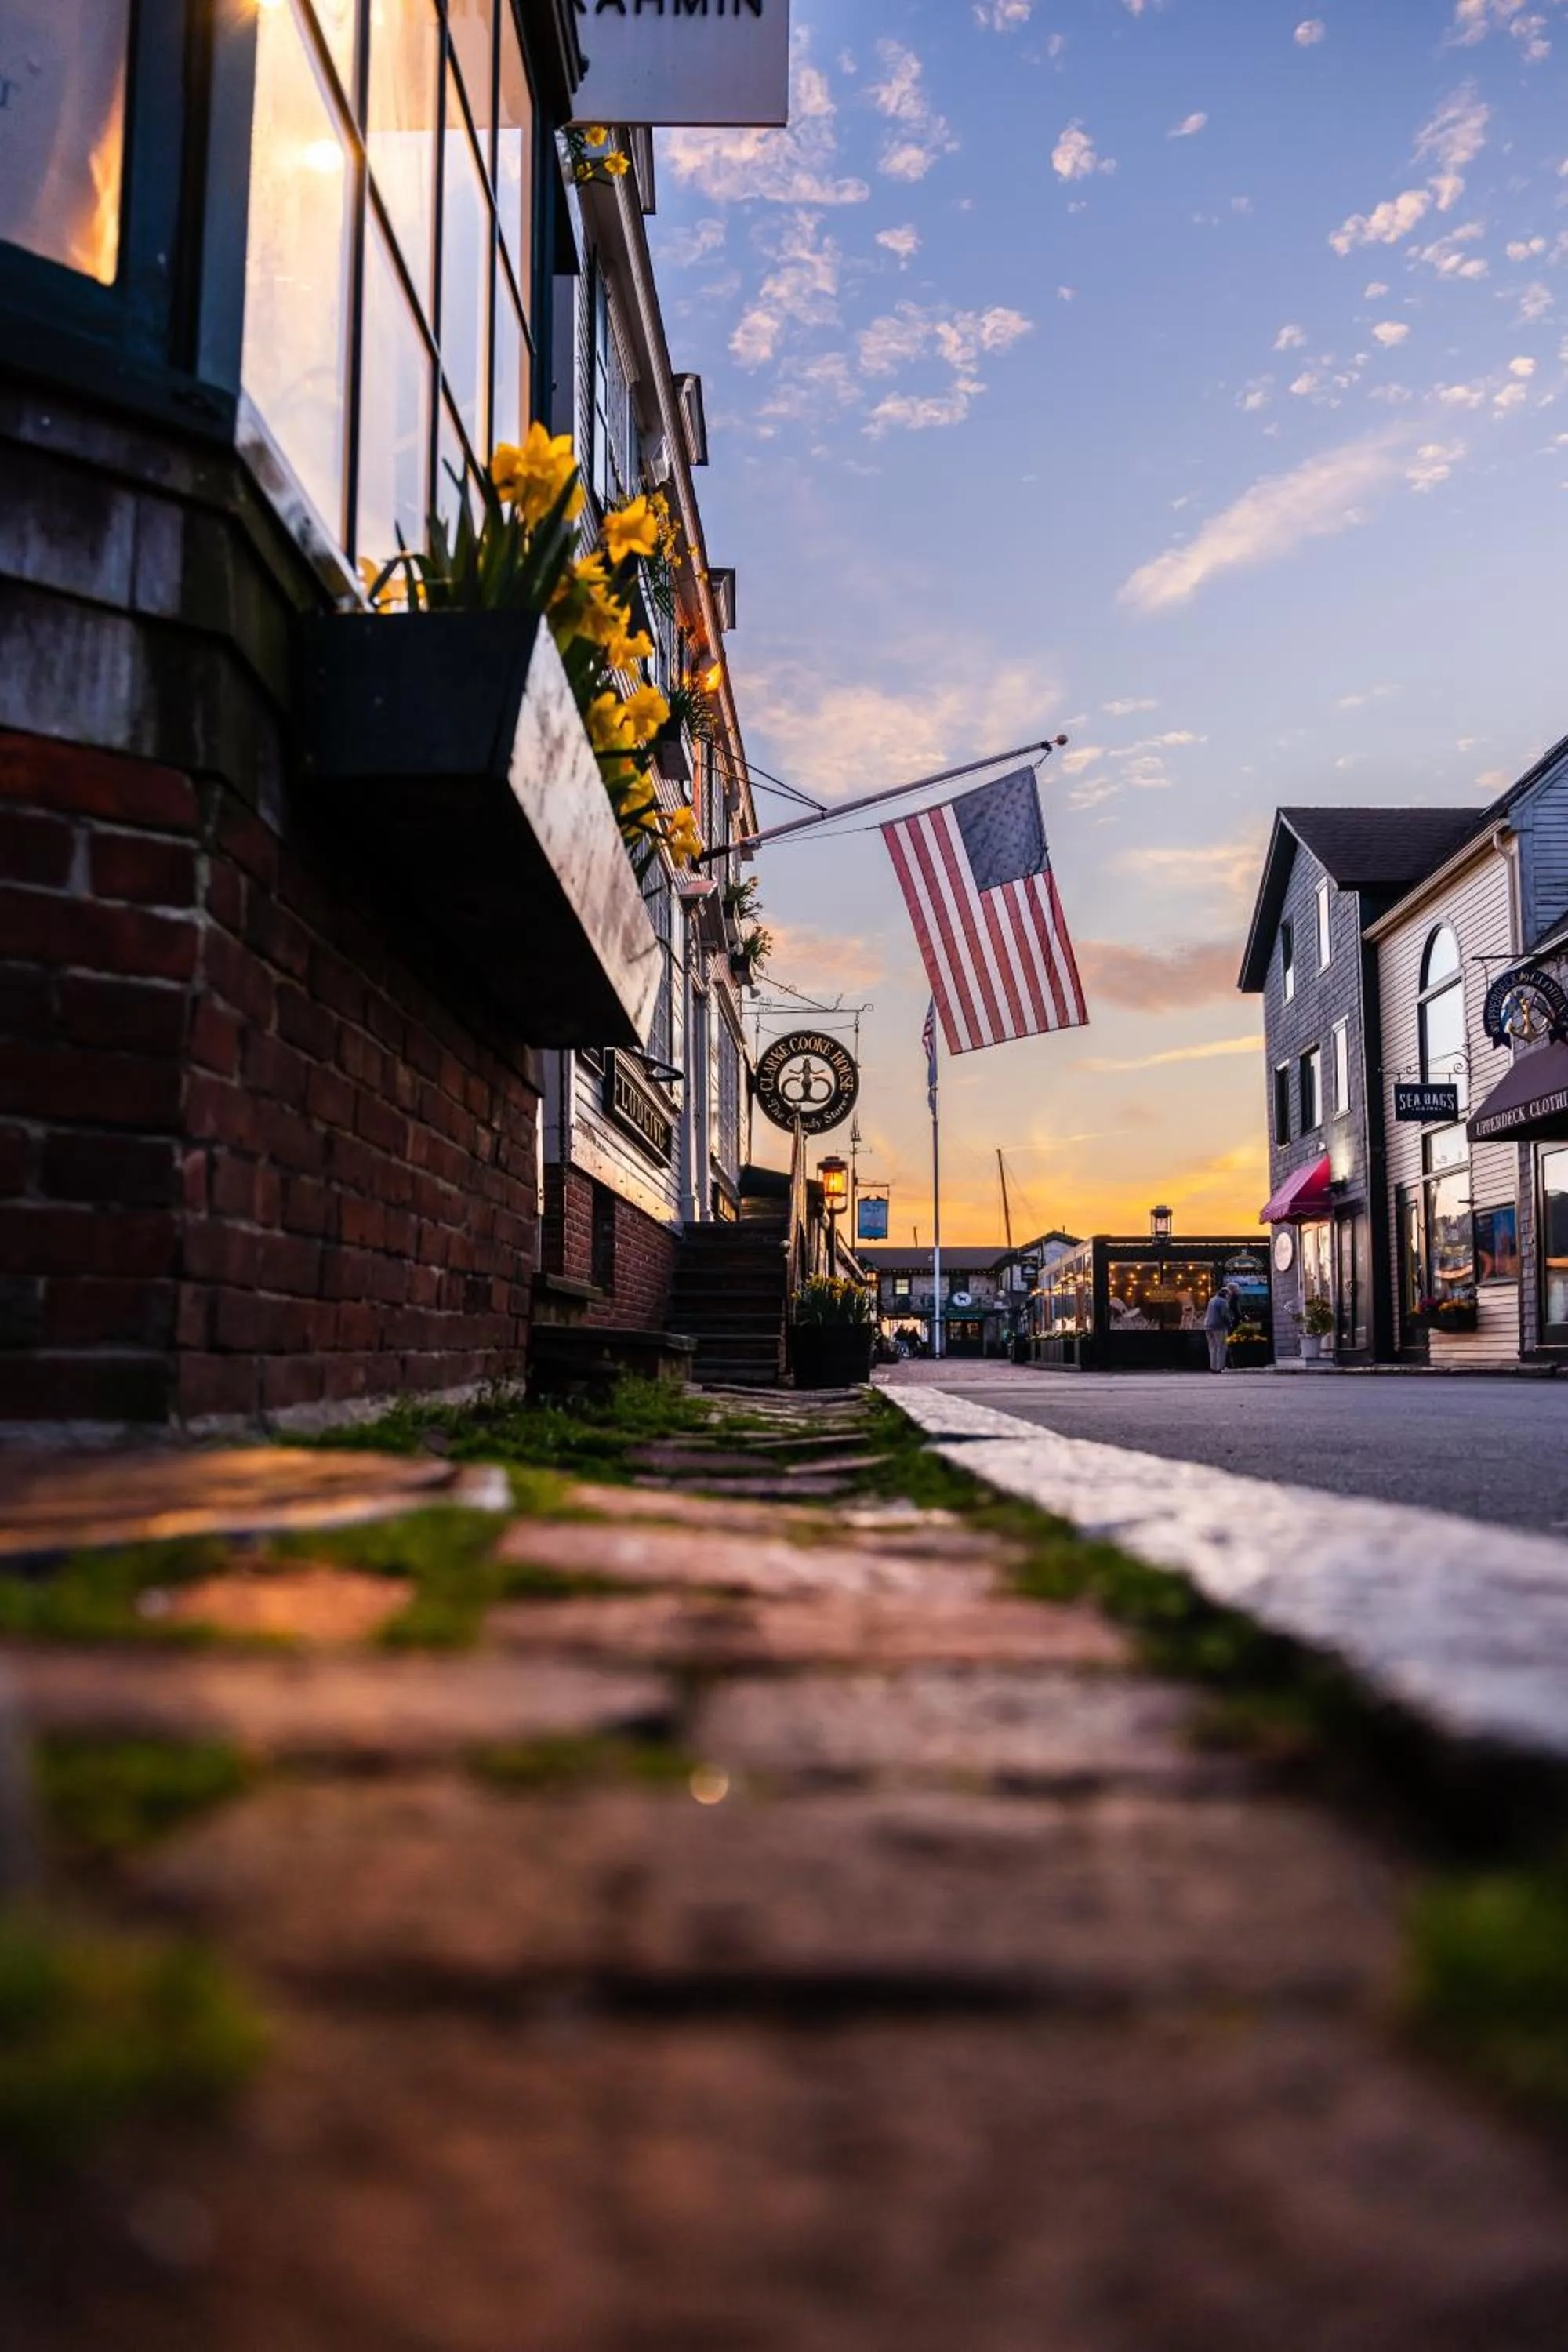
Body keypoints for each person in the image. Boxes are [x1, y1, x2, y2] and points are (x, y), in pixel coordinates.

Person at [1203, 1283, 1232, 1374]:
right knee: (1221, 1347)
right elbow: (1225, 1315)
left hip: (1208, 1326)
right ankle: (1220, 1367)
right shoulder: (1223, 1302)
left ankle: (1213, 1367)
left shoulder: (1212, 1300)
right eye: (1229, 1296)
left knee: (1212, 1347)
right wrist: (1230, 1323)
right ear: (1226, 1295)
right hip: (1219, 1327)